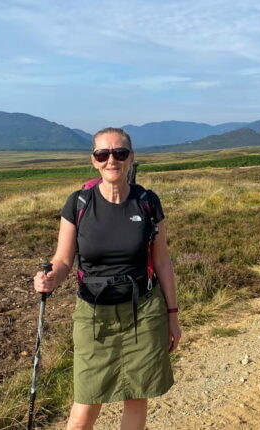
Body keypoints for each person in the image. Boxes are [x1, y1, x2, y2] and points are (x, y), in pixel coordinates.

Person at [34, 127, 181, 430]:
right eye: (103, 153)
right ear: (94, 160)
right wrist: (51, 278)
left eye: (120, 152)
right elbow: (62, 260)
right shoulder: (79, 204)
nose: (111, 159)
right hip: (93, 317)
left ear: (131, 157)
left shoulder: (148, 202)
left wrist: (172, 315)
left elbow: (162, 262)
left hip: (143, 311)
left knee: (137, 398)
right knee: (85, 407)